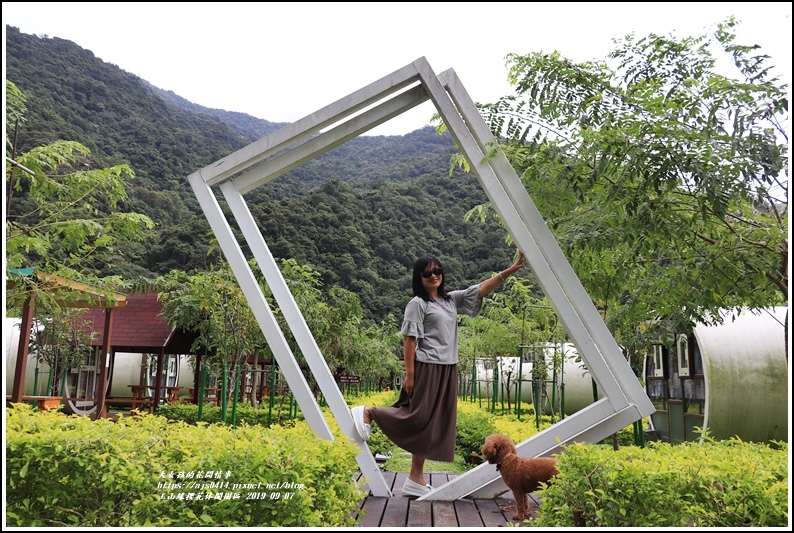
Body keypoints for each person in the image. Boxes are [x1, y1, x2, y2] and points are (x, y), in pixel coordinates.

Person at [351, 251, 525, 497]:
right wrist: (410, 376)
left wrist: (510, 270)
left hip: (447, 368)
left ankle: (415, 478)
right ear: (419, 277)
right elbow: (409, 341)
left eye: (437, 271)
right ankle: (370, 412)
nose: (434, 276)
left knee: (430, 423)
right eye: (427, 273)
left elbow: (482, 288)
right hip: (427, 366)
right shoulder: (418, 304)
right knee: (419, 417)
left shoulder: (450, 300)